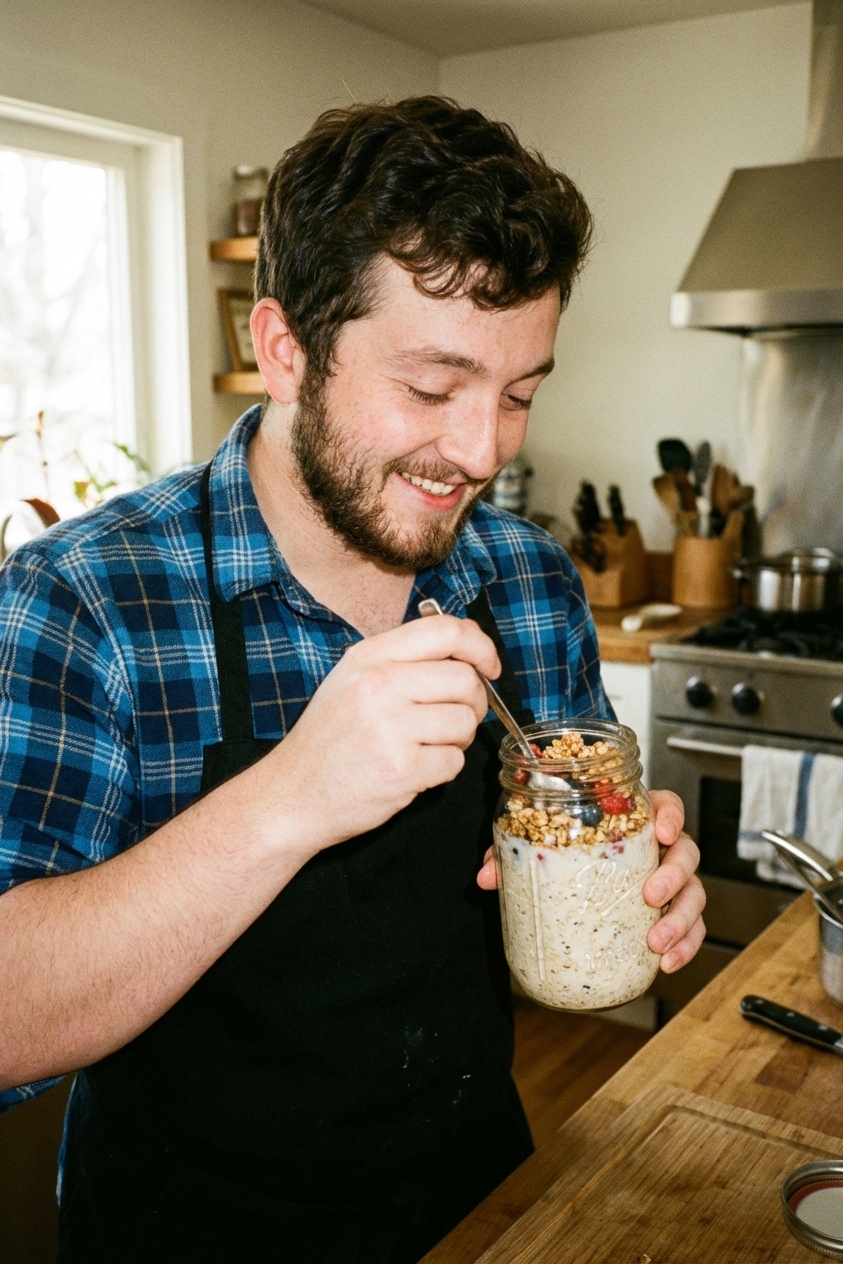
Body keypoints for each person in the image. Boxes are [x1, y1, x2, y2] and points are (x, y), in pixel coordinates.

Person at [0, 97, 705, 1263]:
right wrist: (291, 794)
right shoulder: (85, 602)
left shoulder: (529, 581)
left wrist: (633, 879)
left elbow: (574, 831)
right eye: (431, 388)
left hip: (476, 1198)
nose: (481, 451)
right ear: (284, 350)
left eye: (519, 393)